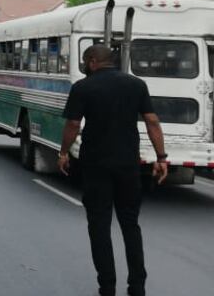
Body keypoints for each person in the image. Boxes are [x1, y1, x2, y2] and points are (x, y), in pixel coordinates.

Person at [58, 44, 168, 296]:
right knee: (131, 224)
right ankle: (137, 286)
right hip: (128, 164)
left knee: (99, 226)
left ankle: (107, 286)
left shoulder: (83, 87)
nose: (84, 66)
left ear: (94, 61)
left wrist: (63, 153)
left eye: (86, 61)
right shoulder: (136, 85)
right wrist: (161, 157)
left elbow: (73, 124)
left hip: (96, 165)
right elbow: (152, 121)